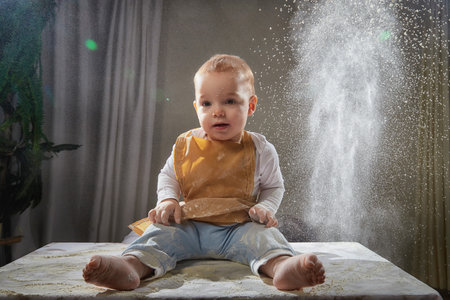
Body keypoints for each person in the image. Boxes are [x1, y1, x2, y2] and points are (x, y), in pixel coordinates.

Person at [83, 54, 325, 291]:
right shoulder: (185, 144)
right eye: (207, 104)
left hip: (238, 227)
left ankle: (283, 268)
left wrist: (266, 208)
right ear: (197, 107)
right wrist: (167, 199)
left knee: (265, 238)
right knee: (158, 235)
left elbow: (274, 187)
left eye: (230, 101)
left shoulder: (260, 148)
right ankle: (130, 267)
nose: (217, 111)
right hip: (188, 225)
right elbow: (168, 176)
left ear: (250, 105)